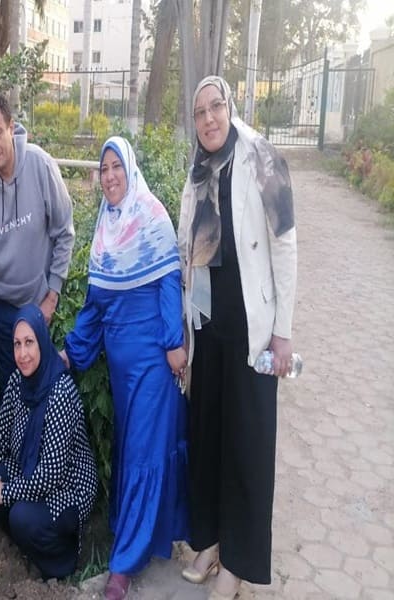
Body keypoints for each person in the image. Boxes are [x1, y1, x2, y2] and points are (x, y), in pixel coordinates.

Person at [177, 76, 296, 600]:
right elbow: (188, 252)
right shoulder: (198, 167)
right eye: (200, 111)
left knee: (247, 448)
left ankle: (239, 563)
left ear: (231, 106)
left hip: (252, 330)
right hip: (209, 329)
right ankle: (208, 541)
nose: (208, 118)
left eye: (216, 107)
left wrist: (283, 334)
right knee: (209, 439)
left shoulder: (260, 157)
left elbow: (286, 244)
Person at [61, 137, 189, 600]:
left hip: (153, 362)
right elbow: (95, 309)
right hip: (121, 370)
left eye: (117, 166)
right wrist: (69, 354)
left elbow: (170, 281)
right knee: (136, 450)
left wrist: (174, 343)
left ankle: (123, 565)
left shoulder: (151, 215)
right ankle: (144, 538)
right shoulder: (105, 229)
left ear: (130, 170)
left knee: (141, 452)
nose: (110, 175)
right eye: (104, 168)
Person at [0, 304, 98, 580]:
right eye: (17, 344)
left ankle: (62, 563)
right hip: (30, 469)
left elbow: (52, 474)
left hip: (68, 487)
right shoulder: (18, 382)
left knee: (21, 516)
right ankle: (29, 546)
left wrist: (7, 492)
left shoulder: (59, 392)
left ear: (42, 341)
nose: (22, 354)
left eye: (29, 342)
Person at [0, 91, 75, 405]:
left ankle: (46, 454)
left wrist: (52, 295)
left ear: (11, 128)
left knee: (46, 393)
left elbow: (64, 233)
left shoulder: (40, 165)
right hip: (4, 309)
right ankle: (16, 455)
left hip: (38, 304)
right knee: (11, 399)